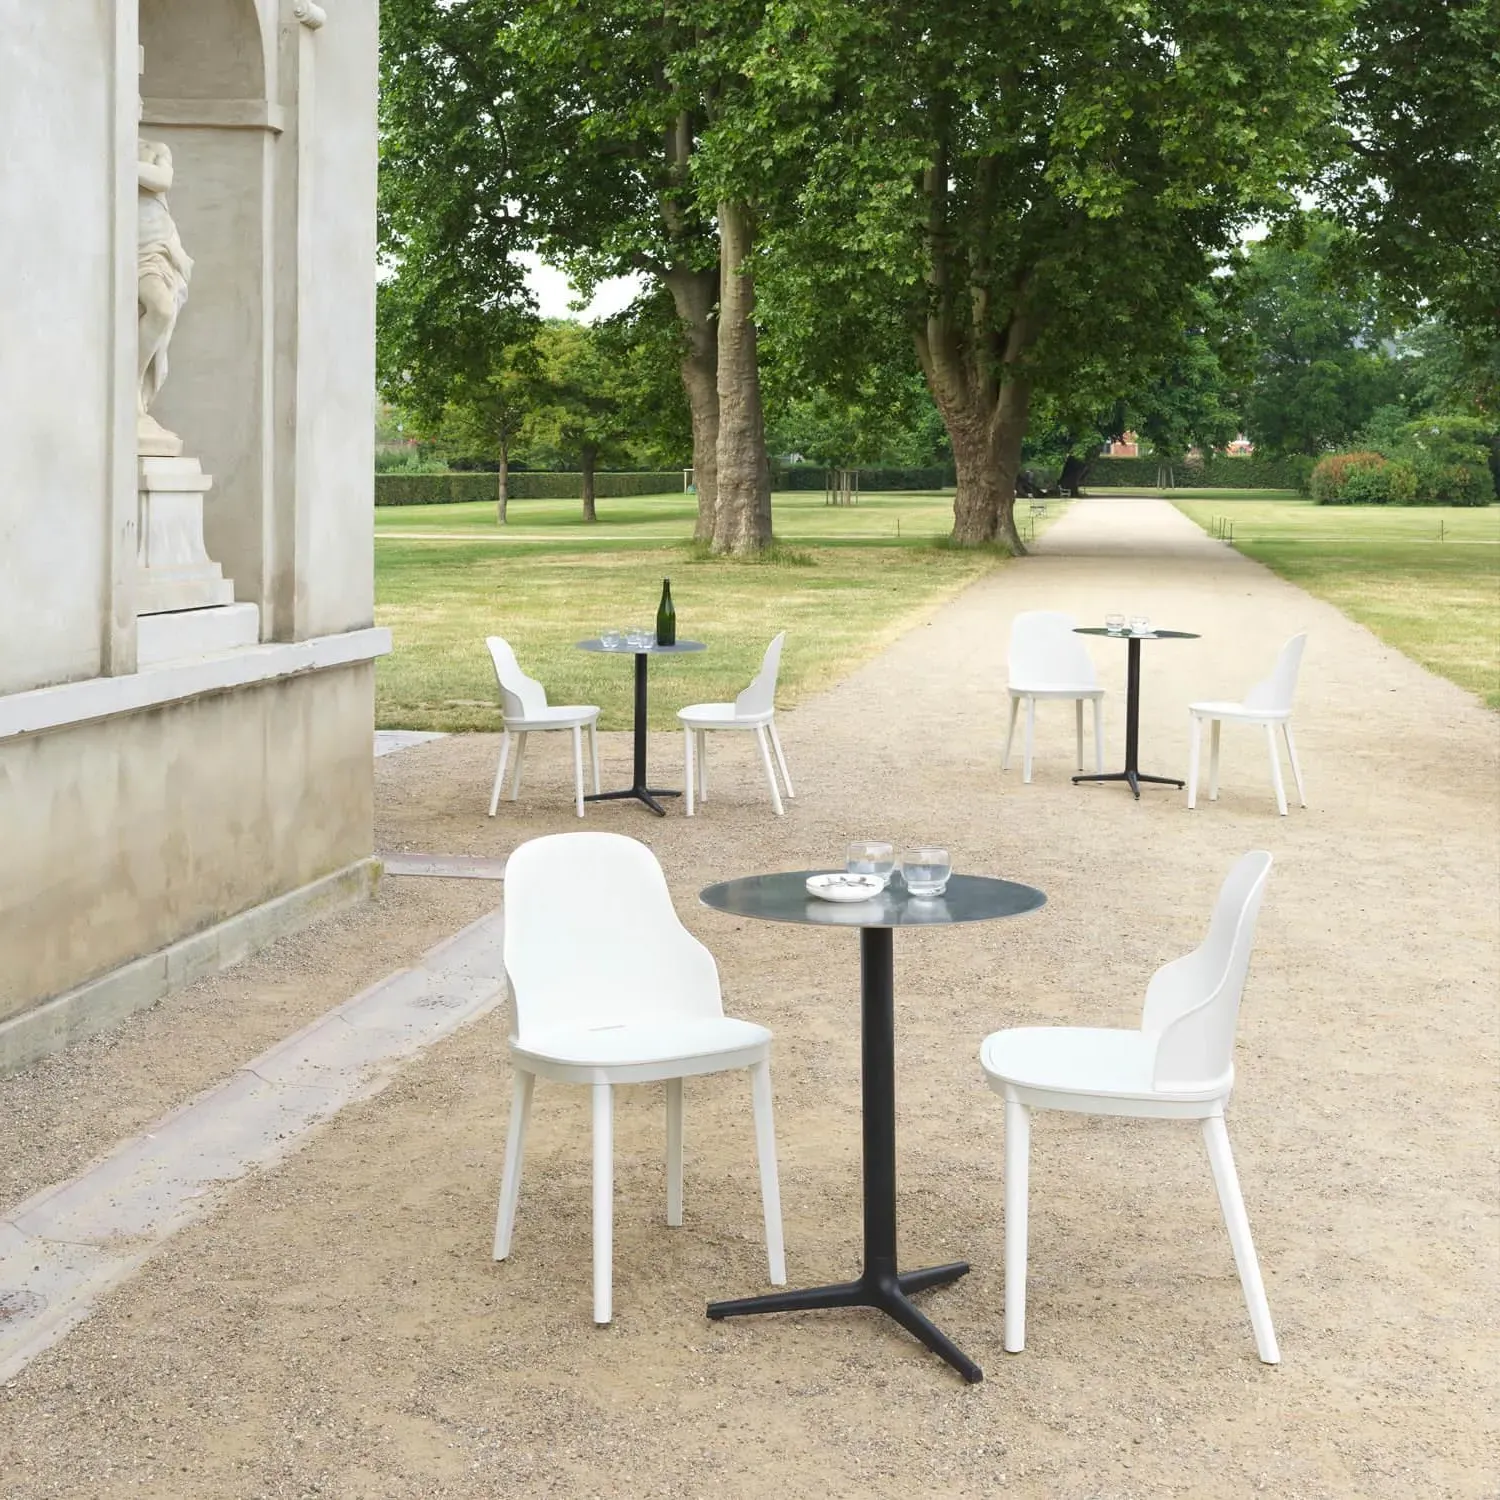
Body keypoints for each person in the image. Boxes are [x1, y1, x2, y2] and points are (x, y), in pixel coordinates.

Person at [137, 135, 193, 445]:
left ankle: (136, 395)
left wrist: (122, 163)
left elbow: (163, 180)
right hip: (126, 245)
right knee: (159, 309)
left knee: (162, 311)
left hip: (158, 246)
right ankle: (129, 397)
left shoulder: (156, 149)